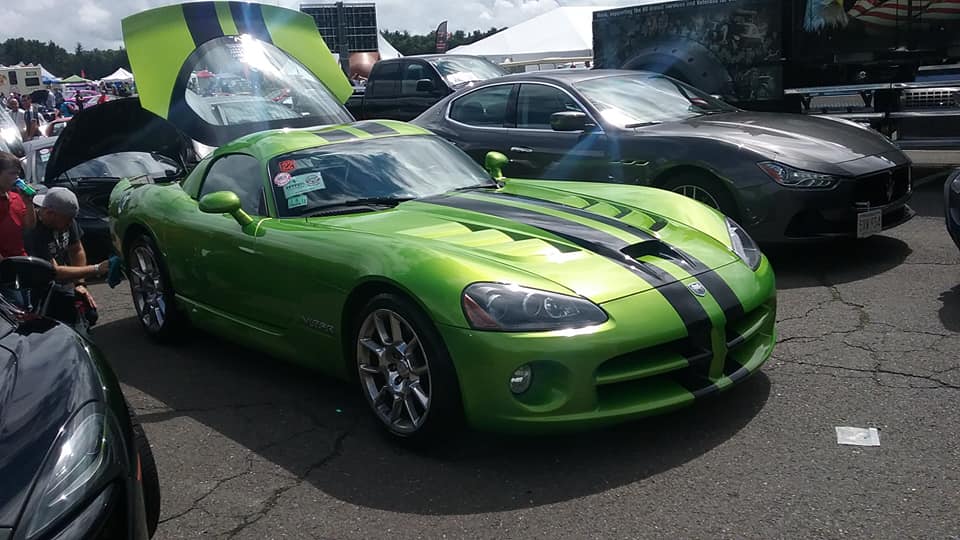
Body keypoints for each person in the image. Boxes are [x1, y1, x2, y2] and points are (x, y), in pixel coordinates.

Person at [24, 187, 110, 325]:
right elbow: (54, 271)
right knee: (65, 321)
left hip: (64, 283)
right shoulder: (34, 230)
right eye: (67, 220)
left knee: (90, 315)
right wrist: (97, 268)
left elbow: (76, 250)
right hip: (40, 288)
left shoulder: (66, 219)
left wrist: (79, 283)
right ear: (50, 213)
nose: (70, 223)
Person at [0, 151, 36, 260]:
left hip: (19, 259)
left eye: (17, 173)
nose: (16, 178)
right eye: (12, 173)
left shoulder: (16, 198)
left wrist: (29, 203)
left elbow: (29, 226)